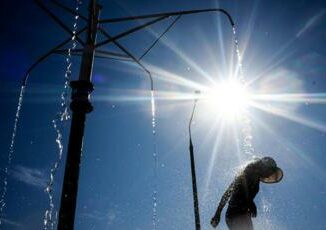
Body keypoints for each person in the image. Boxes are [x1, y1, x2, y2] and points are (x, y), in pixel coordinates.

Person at [210, 157, 283, 230]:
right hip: (234, 214)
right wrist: (218, 213)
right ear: (265, 167)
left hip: (244, 214)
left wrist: (251, 202)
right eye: (269, 173)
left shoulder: (257, 180)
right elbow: (229, 191)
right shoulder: (248, 171)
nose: (268, 176)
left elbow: (246, 194)